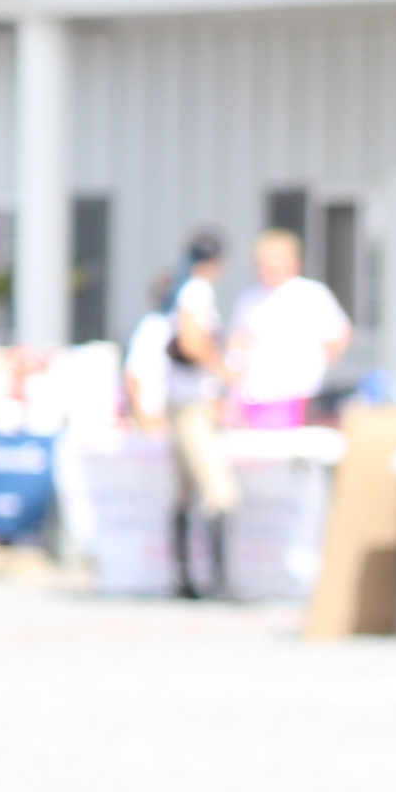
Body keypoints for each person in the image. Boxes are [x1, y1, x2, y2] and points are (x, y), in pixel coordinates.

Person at [163, 231, 237, 598]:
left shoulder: (181, 290)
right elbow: (193, 343)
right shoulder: (197, 291)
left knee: (185, 492)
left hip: (183, 400)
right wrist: (221, 368)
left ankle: (186, 578)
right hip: (192, 404)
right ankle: (216, 581)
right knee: (219, 493)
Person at [223, 228, 351, 429]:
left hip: (303, 392)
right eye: (265, 260)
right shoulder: (249, 299)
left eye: (277, 258)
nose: (270, 265)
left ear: (294, 262)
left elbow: (338, 334)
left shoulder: (312, 294)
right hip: (260, 394)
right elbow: (239, 341)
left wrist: (318, 365)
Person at [121, 268, 179, 433]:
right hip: (154, 423)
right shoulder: (153, 327)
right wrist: (145, 419)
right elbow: (132, 377)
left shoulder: (178, 328)